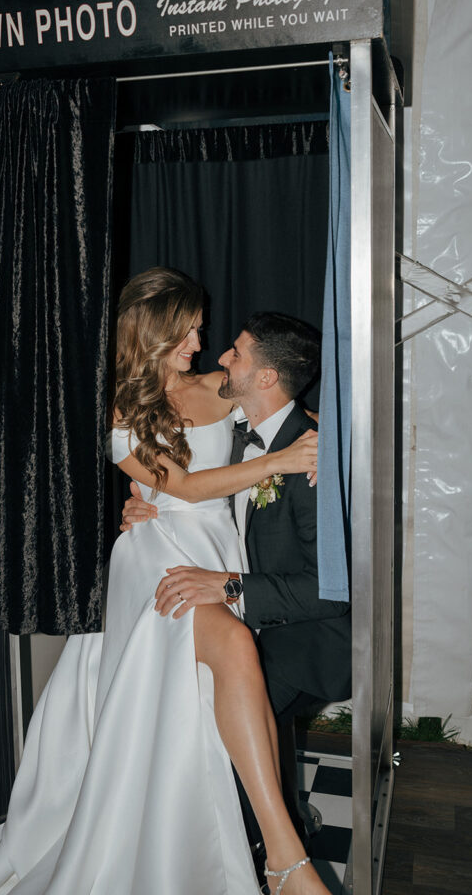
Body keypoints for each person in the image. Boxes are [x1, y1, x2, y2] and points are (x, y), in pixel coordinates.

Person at [0, 267, 325, 895]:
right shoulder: (119, 406)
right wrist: (277, 465)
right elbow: (185, 487)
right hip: (153, 554)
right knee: (231, 646)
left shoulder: (218, 388)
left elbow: (281, 408)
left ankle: (258, 844)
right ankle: (286, 858)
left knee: (216, 676)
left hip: (216, 548)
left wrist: (323, 438)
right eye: (190, 332)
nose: (202, 344)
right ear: (154, 333)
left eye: (202, 332)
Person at [124, 311, 352, 854]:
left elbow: (328, 591)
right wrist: (144, 504)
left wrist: (225, 586)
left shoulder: (314, 461)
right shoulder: (236, 433)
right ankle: (271, 821)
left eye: (237, 352)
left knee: (214, 707)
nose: (219, 357)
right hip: (259, 614)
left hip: (308, 634)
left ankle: (253, 849)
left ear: (267, 378)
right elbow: (188, 482)